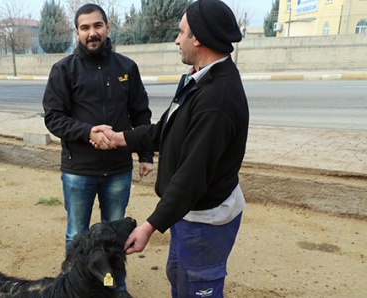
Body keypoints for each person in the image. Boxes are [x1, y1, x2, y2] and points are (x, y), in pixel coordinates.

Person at [91, 0, 249, 297]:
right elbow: (165, 130)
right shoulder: (199, 78)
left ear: (198, 39)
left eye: (181, 32)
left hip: (205, 217)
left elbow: (192, 177)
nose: (177, 40)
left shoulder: (216, 100)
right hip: (185, 213)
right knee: (179, 275)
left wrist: (149, 227)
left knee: (198, 286)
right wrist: (119, 138)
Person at [42, 4, 153, 297]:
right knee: (76, 235)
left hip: (118, 169)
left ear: (107, 27)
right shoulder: (64, 70)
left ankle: (116, 287)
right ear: (77, 32)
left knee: (114, 236)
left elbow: (141, 114)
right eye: (85, 28)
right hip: (79, 171)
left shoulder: (127, 68)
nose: (92, 33)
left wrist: (145, 155)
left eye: (97, 26)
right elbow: (53, 117)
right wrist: (87, 132)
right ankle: (74, 288)